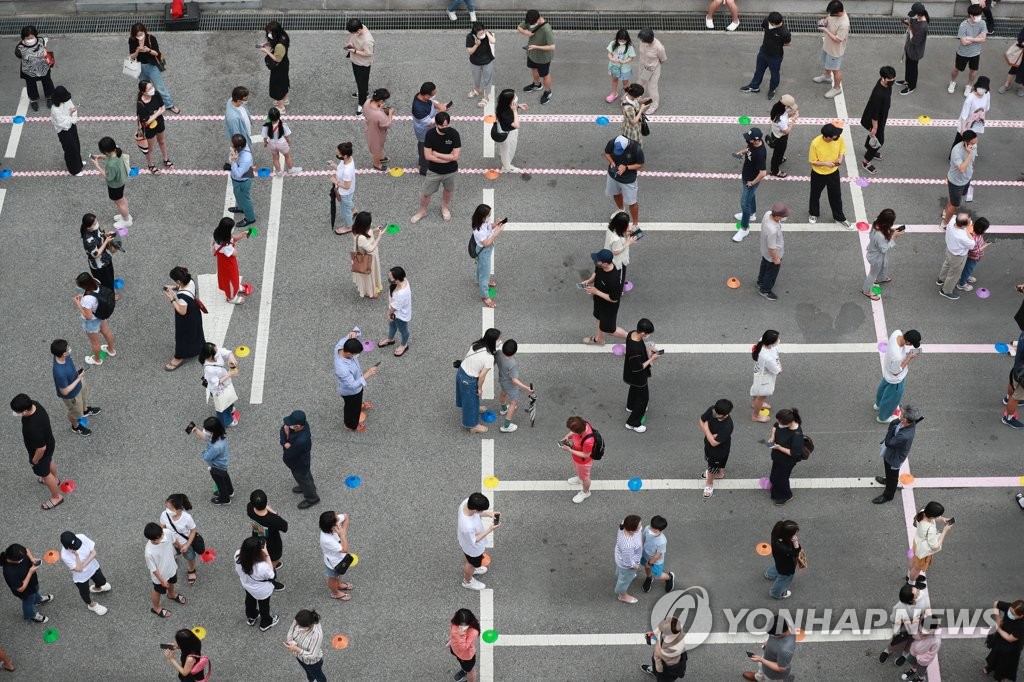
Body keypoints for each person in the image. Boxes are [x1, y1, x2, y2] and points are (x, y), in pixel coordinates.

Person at [11, 393, 62, 510]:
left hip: (41, 451)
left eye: (18, 412)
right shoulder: (35, 404)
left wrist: (35, 460)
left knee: (44, 473)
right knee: (49, 461)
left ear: (24, 411)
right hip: (50, 443)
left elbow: (41, 448)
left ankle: (56, 497)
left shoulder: (31, 427)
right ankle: (56, 480)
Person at [412, 112, 462, 224]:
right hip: (434, 171)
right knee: (426, 193)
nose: (445, 128)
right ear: (437, 125)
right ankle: (422, 211)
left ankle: (444, 207)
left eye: (447, 125)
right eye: (442, 126)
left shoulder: (454, 134)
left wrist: (437, 154)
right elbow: (428, 156)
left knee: (448, 190)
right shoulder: (430, 134)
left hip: (451, 171)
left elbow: (456, 156)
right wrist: (447, 158)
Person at [872, 403, 922, 503]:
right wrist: (896, 422)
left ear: (906, 420)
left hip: (894, 457)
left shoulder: (904, 436)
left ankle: (888, 495)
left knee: (893, 475)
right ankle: (888, 480)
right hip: (892, 453)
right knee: (890, 473)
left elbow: (889, 442)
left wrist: (892, 428)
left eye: (901, 414)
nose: (899, 414)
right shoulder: (908, 423)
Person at [51, 338, 99, 437]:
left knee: (84, 397)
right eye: (68, 348)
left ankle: (85, 410)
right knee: (74, 412)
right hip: (72, 395)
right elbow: (64, 391)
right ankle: (76, 427)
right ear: (63, 354)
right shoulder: (59, 372)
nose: (69, 349)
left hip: (78, 382)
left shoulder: (64, 356)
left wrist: (77, 374)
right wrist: (79, 378)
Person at [455, 329, 500, 434]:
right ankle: (472, 426)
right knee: (471, 401)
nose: (499, 340)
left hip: (461, 372)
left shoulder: (476, 345)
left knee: (468, 399)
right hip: (469, 380)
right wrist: (479, 388)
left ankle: (475, 407)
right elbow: (482, 376)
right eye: (498, 339)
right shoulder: (489, 358)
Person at [128, 23, 179, 114]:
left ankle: (169, 105)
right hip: (140, 66)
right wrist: (137, 51)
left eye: (141, 34)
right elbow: (132, 56)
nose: (139, 37)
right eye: (137, 35)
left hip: (152, 66)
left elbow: (157, 53)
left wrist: (148, 50)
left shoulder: (151, 38)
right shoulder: (132, 40)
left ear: (144, 31)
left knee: (160, 87)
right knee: (144, 87)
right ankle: (146, 104)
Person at [807, 123, 850, 227]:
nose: (837, 137)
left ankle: (839, 217)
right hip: (818, 174)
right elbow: (812, 161)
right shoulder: (815, 143)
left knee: (836, 196)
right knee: (815, 194)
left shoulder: (838, 139)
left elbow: (841, 150)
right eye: (834, 136)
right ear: (826, 137)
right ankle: (813, 213)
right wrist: (825, 163)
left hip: (833, 173)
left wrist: (840, 158)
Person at [954, 78, 991, 202]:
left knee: (973, 139)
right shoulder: (970, 98)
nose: (983, 90)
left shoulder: (987, 95)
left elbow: (987, 108)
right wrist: (963, 129)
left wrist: (983, 120)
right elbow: (964, 114)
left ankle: (970, 152)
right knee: (959, 141)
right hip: (967, 124)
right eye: (981, 88)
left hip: (978, 122)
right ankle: (956, 155)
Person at [234, 536, 280, 631]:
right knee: (264, 605)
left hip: (247, 584)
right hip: (261, 590)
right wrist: (266, 554)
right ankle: (265, 623)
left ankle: (252, 616)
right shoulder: (261, 566)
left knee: (249, 600)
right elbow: (271, 575)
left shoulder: (238, 555)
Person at [740, 12, 791, 99]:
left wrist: (776, 44)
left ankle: (772, 89)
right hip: (763, 52)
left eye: (771, 24)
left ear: (776, 23)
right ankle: (754, 86)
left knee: (774, 74)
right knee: (759, 71)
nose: (769, 24)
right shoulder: (767, 21)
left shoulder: (784, 32)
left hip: (775, 57)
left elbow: (788, 43)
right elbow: (765, 28)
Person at [334, 334, 378, 432]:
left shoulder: (341, 345)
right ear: (349, 353)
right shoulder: (342, 369)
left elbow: (353, 333)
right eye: (355, 355)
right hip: (351, 392)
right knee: (351, 408)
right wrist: (367, 374)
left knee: (355, 403)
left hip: (356, 388)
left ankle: (359, 405)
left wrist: (354, 332)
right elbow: (352, 385)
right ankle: (350, 425)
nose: (356, 356)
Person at [164, 266, 205, 371]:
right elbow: (182, 287)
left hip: (186, 318)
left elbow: (181, 311)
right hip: (194, 312)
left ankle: (178, 357)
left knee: (182, 337)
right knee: (196, 331)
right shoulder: (191, 281)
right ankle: (200, 347)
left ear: (178, 280)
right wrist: (174, 287)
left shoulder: (182, 297)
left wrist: (172, 299)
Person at [58, 531, 110, 616]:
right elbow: (78, 570)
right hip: (81, 577)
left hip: (93, 567)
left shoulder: (81, 537)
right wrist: (77, 556)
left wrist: (83, 565)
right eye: (74, 547)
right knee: (85, 593)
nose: (77, 547)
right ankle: (91, 605)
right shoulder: (65, 555)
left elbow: (94, 553)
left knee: (102, 581)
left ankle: (97, 588)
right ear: (67, 547)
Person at [879, 584, 931, 666]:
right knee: (897, 641)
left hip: (917, 626)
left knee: (911, 641)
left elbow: (927, 607)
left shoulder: (922, 595)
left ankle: (905, 654)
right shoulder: (899, 607)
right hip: (904, 628)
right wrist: (910, 621)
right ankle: (888, 650)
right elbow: (894, 621)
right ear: (910, 600)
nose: (919, 593)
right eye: (916, 594)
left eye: (917, 590)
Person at [876, 330, 922, 422]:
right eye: (911, 344)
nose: (910, 346)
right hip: (895, 380)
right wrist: (909, 358)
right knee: (892, 399)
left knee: (883, 388)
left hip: (887, 372)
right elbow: (896, 372)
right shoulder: (897, 356)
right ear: (908, 342)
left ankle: (878, 404)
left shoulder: (896, 333)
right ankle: (883, 417)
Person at [582, 249, 626, 345]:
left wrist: (596, 292)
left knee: (610, 330)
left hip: (608, 307)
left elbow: (614, 299)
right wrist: (589, 281)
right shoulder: (600, 265)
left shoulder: (613, 279)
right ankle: (599, 339)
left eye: (597, 261)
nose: (595, 262)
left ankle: (632, 337)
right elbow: (596, 273)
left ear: (605, 264)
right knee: (598, 318)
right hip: (599, 301)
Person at [188, 416, 235, 505]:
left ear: (212, 431)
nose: (205, 431)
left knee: (220, 483)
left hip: (216, 467)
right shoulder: (220, 435)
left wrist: (204, 452)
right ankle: (230, 491)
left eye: (207, 430)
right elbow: (207, 438)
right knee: (225, 477)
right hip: (223, 465)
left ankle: (225, 499)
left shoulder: (216, 447)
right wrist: (197, 431)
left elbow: (207, 457)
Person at [143, 522, 186, 618]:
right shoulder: (149, 552)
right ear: (151, 539)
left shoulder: (166, 532)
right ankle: (156, 608)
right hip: (160, 576)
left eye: (161, 534)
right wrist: (162, 580)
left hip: (171, 567)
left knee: (172, 582)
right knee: (157, 591)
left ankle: (171, 594)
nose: (163, 537)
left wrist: (181, 547)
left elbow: (174, 541)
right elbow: (153, 569)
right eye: (159, 537)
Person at [1, 544, 52, 622]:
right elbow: (21, 588)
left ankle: (38, 600)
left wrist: (31, 558)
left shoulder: (16, 550)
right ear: (14, 560)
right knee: (28, 601)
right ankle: (31, 615)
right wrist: (30, 572)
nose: (24, 557)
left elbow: (26, 550)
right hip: (25, 591)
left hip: (32, 581)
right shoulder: (9, 572)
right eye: (22, 558)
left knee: (36, 590)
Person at [860, 66, 897, 175]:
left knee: (873, 136)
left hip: (881, 116)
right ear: (883, 78)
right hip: (876, 120)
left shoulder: (885, 84)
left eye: (894, 78)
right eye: (890, 80)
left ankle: (869, 148)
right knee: (879, 141)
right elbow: (874, 114)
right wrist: (875, 127)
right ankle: (866, 161)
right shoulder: (878, 94)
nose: (893, 81)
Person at [624, 318, 659, 433]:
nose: (648, 336)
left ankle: (630, 406)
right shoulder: (634, 349)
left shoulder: (631, 334)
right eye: (648, 334)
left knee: (634, 388)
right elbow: (639, 367)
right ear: (643, 333)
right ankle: (633, 423)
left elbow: (641, 349)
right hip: (638, 376)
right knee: (644, 399)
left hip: (630, 373)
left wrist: (649, 350)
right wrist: (652, 358)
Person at [732, 127, 767, 241]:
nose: (748, 140)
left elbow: (763, 173)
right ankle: (752, 214)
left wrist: (752, 183)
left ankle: (744, 228)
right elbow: (748, 149)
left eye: (750, 139)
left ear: (756, 140)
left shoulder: (760, 154)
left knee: (744, 203)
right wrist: (742, 152)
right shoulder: (752, 144)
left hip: (751, 180)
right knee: (751, 196)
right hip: (746, 176)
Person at [74, 272, 116, 367]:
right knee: (107, 332)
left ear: (84, 286)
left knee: (95, 342)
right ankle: (111, 350)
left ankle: (97, 360)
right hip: (101, 315)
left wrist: (78, 304)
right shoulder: (97, 282)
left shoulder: (87, 300)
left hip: (92, 321)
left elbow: (88, 316)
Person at [281, 410, 320, 509]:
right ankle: (306, 487)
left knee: (304, 478)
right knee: (305, 478)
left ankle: (312, 498)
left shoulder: (302, 440)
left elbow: (290, 453)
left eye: (291, 424)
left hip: (299, 463)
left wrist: (285, 441)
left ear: (298, 426)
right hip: (299, 461)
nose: (287, 425)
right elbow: (283, 429)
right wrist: (286, 436)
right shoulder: (301, 425)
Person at [458, 492, 497, 590]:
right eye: (482, 510)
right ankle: (468, 581)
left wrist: (489, 514)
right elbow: (474, 540)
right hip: (473, 548)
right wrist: (490, 529)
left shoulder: (467, 502)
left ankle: (474, 569)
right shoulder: (467, 526)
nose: (483, 511)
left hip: (465, 543)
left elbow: (478, 513)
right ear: (475, 510)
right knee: (470, 564)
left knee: (469, 559)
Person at [604, 135, 645, 228]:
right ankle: (621, 209)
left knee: (632, 202)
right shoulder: (612, 142)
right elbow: (607, 153)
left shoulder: (636, 149)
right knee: (615, 193)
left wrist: (626, 167)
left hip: (628, 179)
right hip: (613, 175)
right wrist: (612, 162)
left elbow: (640, 164)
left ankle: (635, 224)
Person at [90, 136, 131, 228]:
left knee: (119, 203)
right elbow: (109, 156)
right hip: (120, 182)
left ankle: (126, 220)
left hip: (115, 185)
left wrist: (97, 166)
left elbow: (109, 177)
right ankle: (126, 215)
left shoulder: (112, 165)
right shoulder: (117, 151)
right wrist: (100, 157)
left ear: (106, 151)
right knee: (122, 199)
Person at [863, 209, 904, 300]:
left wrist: (891, 231)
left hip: (876, 253)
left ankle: (881, 278)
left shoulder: (876, 223)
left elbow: (874, 234)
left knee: (884, 264)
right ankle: (866, 291)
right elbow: (884, 249)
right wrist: (893, 237)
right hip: (876, 257)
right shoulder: (880, 236)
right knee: (872, 274)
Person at [908, 501, 954, 582]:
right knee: (917, 569)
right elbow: (935, 546)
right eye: (938, 516)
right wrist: (945, 531)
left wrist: (943, 519)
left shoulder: (922, 511)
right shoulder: (930, 529)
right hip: (922, 551)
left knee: (912, 559)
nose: (939, 517)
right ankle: (911, 582)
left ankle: (909, 574)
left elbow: (933, 518)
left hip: (916, 543)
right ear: (933, 516)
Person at [517, 10, 556, 105]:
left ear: (538, 19)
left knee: (545, 75)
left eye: (531, 24)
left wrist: (536, 47)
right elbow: (518, 27)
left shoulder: (546, 29)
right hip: (532, 53)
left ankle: (547, 92)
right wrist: (525, 33)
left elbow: (552, 47)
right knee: (533, 69)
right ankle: (537, 84)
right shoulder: (530, 20)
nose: (529, 25)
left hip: (543, 58)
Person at [813, 1, 850, 99]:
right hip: (828, 45)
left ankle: (837, 88)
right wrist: (824, 21)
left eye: (832, 13)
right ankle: (826, 76)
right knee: (827, 62)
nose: (830, 15)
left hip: (835, 51)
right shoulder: (834, 12)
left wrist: (825, 30)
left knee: (836, 70)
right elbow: (829, 18)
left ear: (839, 12)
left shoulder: (844, 24)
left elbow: (838, 40)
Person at [742, 614, 796, 681]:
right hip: (767, 658)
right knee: (762, 669)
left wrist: (761, 660)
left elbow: (781, 668)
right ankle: (758, 678)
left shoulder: (785, 650)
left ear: (779, 634)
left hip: (773, 675)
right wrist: (767, 643)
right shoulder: (786, 622)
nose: (771, 635)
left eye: (772, 634)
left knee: (768, 678)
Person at [161, 494, 200, 587]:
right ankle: (175, 557)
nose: (167, 510)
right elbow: (162, 527)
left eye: (170, 508)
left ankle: (191, 570)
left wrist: (187, 545)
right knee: (172, 554)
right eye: (166, 506)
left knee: (190, 557)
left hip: (185, 544)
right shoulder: (164, 514)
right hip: (171, 543)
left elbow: (193, 531)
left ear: (178, 509)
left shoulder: (187, 518)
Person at [767, 409, 804, 506]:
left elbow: (795, 453)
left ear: (788, 422)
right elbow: (775, 426)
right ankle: (775, 487)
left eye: (780, 422)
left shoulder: (797, 435)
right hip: (778, 457)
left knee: (781, 479)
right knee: (775, 475)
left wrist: (779, 447)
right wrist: (772, 436)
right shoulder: (783, 422)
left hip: (787, 461)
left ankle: (786, 495)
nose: (778, 423)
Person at [248, 489, 289, 576]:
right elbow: (285, 527)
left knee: (261, 554)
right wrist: (275, 513)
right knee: (271, 564)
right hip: (272, 544)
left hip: (257, 536)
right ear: (266, 502)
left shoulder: (249, 508)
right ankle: (272, 579)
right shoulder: (274, 519)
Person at [941, 132, 978, 227]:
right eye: (973, 143)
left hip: (966, 179)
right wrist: (969, 154)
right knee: (955, 205)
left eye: (976, 141)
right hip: (956, 182)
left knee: (955, 198)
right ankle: (944, 224)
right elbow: (961, 169)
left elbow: (972, 160)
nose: (975, 144)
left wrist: (972, 166)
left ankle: (946, 211)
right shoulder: (956, 151)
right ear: (965, 143)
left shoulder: (974, 146)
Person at [937, 211, 976, 300]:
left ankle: (941, 279)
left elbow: (948, 215)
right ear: (963, 225)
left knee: (947, 264)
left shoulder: (952, 220)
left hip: (949, 250)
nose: (971, 222)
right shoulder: (963, 236)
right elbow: (972, 244)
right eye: (969, 221)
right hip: (958, 257)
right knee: (954, 274)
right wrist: (966, 230)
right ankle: (946, 291)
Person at [949, 5, 987, 96]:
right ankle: (952, 82)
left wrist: (971, 38)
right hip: (962, 53)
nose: (979, 17)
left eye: (979, 15)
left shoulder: (982, 23)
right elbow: (963, 42)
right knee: (957, 69)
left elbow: (983, 39)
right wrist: (977, 38)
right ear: (971, 15)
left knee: (973, 71)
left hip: (975, 53)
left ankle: (969, 85)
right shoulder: (964, 25)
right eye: (977, 15)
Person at [136, 79, 172, 175]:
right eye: (149, 89)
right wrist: (157, 113)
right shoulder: (140, 104)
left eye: (152, 87)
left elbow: (163, 107)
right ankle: (150, 165)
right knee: (150, 149)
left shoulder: (156, 94)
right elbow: (146, 121)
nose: (152, 89)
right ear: (143, 92)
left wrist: (156, 114)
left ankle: (166, 159)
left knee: (162, 141)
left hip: (159, 123)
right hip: (149, 129)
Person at [700, 398, 734, 499]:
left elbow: (714, 443)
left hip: (719, 450)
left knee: (712, 466)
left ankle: (709, 484)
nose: (714, 414)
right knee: (716, 462)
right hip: (710, 445)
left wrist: (706, 429)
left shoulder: (728, 426)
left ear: (725, 414)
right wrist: (710, 435)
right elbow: (701, 420)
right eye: (715, 411)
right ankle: (720, 473)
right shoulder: (713, 409)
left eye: (718, 414)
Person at [472, 204, 505, 308]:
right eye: (488, 216)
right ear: (482, 216)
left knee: (481, 268)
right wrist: (496, 233)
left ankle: (479, 280)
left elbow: (488, 226)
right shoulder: (478, 231)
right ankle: (485, 296)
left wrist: (494, 224)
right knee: (484, 274)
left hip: (483, 250)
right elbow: (486, 243)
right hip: (484, 251)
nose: (489, 218)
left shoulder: (481, 221)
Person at [201, 342, 240, 428]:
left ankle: (230, 409)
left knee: (228, 397)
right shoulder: (209, 370)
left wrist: (231, 358)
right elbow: (216, 384)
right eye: (216, 351)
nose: (218, 351)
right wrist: (229, 374)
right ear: (210, 356)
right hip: (218, 389)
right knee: (222, 405)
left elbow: (227, 352)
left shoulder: (215, 354)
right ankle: (227, 421)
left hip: (224, 383)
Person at [982, 599, 1024, 680]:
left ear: (1022, 615)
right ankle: (989, 667)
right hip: (1001, 637)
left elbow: (1010, 638)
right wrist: (998, 618)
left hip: (1012, 646)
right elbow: (996, 603)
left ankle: (1000, 677)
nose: (1010, 614)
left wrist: (998, 629)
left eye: (1013, 614)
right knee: (995, 652)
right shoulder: (1009, 607)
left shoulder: (1021, 626)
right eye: (1010, 611)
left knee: (1004, 662)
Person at [495, 339, 531, 433]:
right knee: (513, 403)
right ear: (514, 352)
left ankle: (503, 409)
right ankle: (507, 426)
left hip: (502, 380)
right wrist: (526, 387)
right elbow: (514, 380)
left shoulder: (498, 354)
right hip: (510, 385)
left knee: (503, 393)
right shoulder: (512, 363)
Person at [15, 26, 53, 111]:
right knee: (31, 84)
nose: (29, 40)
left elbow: (44, 49)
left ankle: (49, 97)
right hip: (29, 70)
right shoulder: (19, 47)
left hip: (43, 66)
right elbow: (18, 55)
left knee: (47, 82)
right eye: (27, 38)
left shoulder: (41, 40)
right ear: (23, 37)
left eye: (31, 37)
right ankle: (33, 99)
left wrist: (47, 57)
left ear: (35, 35)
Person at [561, 415, 598, 504]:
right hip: (577, 458)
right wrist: (567, 436)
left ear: (579, 432)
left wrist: (570, 450)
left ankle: (586, 492)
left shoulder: (588, 441)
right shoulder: (584, 424)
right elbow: (572, 433)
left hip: (583, 462)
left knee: (585, 478)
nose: (571, 432)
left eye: (573, 431)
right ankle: (579, 478)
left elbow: (586, 454)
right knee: (580, 473)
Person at [318, 511, 354, 600]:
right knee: (333, 577)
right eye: (337, 519)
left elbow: (346, 516)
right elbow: (345, 549)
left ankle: (339, 585)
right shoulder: (327, 540)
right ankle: (335, 593)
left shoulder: (332, 521)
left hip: (340, 558)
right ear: (332, 527)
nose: (339, 518)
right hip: (333, 563)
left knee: (339, 574)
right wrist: (342, 536)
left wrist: (343, 532)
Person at [755, 203, 788, 301]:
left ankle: (760, 282)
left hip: (764, 251)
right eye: (783, 216)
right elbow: (772, 248)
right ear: (777, 217)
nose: (784, 217)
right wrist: (776, 258)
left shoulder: (767, 214)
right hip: (772, 255)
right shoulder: (772, 230)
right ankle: (765, 290)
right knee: (771, 273)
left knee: (764, 265)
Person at [213, 217, 249, 304]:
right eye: (232, 228)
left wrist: (243, 234)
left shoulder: (219, 235)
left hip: (225, 262)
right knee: (230, 279)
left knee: (233, 276)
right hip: (228, 265)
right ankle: (231, 297)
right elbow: (236, 253)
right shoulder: (226, 246)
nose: (233, 229)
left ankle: (235, 288)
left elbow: (233, 238)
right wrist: (234, 246)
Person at [50, 86, 83, 176]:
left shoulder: (66, 101)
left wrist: (72, 117)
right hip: (63, 131)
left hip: (71, 126)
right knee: (70, 149)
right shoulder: (55, 110)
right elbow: (62, 124)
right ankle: (74, 170)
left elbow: (72, 110)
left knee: (76, 144)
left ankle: (78, 163)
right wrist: (70, 115)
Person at [379, 266, 411, 357]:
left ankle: (404, 345)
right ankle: (390, 339)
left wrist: (389, 314)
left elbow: (394, 307)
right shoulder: (403, 280)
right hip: (395, 313)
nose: (389, 279)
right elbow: (391, 295)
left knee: (403, 330)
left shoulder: (402, 294)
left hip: (400, 315)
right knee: (392, 325)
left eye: (391, 278)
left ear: (397, 280)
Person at [351, 212, 385, 298]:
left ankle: (371, 290)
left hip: (364, 256)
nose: (370, 224)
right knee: (369, 275)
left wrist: (374, 230)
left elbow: (366, 234)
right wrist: (379, 236)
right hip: (367, 258)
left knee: (369, 275)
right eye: (369, 224)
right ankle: (370, 292)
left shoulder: (356, 229)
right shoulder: (361, 238)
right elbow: (370, 248)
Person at [898, 3, 930, 95]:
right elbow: (912, 23)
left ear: (919, 13)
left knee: (913, 68)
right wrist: (908, 22)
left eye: (914, 14)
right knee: (908, 66)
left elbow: (914, 41)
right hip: (910, 49)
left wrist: (910, 28)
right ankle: (907, 80)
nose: (913, 16)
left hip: (915, 52)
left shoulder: (923, 27)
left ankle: (911, 86)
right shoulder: (918, 18)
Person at [494, 88, 528, 173]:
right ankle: (507, 167)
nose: (516, 97)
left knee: (505, 148)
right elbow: (517, 125)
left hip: (504, 129)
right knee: (509, 149)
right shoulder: (506, 113)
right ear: (509, 101)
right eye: (514, 97)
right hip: (508, 133)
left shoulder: (502, 105)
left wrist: (518, 106)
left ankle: (504, 158)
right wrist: (515, 111)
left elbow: (511, 106)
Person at [287, 609, 326, 682]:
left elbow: (312, 655)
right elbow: (291, 630)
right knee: (309, 673)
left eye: (301, 627)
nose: (297, 628)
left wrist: (296, 649)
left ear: (309, 625)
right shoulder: (299, 620)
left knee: (319, 677)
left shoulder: (317, 635)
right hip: (300, 657)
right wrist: (290, 640)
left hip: (312, 663)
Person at [80, 213, 117, 292]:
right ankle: (110, 296)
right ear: (88, 227)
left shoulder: (94, 228)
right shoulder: (88, 240)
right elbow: (95, 254)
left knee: (110, 278)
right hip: (99, 265)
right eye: (94, 223)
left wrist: (105, 234)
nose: (97, 224)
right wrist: (106, 241)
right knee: (105, 282)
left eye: (96, 221)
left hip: (105, 259)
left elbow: (99, 235)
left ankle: (111, 291)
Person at [345, 19, 374, 115]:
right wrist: (350, 43)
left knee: (362, 84)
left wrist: (354, 51)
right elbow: (352, 36)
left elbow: (368, 53)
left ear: (358, 30)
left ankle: (362, 104)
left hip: (363, 64)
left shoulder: (368, 41)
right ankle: (363, 93)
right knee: (358, 80)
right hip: (355, 60)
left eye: (354, 32)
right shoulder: (361, 26)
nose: (352, 34)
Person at [259, 21, 290, 112]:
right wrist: (266, 44)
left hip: (279, 67)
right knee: (283, 81)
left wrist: (266, 51)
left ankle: (281, 107)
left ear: (275, 32)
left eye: (270, 32)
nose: (269, 34)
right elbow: (276, 44)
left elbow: (277, 59)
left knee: (277, 85)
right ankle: (285, 99)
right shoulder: (283, 35)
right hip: (284, 64)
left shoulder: (280, 46)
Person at [750, 330, 781, 420]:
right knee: (762, 396)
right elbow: (777, 370)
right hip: (765, 377)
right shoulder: (767, 358)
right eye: (777, 339)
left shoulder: (762, 342)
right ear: (771, 342)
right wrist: (779, 364)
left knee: (756, 389)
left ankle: (754, 403)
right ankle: (755, 416)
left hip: (758, 371)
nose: (779, 340)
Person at [765, 520, 800, 599]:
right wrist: (796, 543)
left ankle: (770, 574)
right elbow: (796, 552)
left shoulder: (777, 530)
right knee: (784, 578)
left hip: (779, 559)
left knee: (778, 565)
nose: (795, 535)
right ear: (787, 536)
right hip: (787, 565)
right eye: (793, 533)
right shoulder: (784, 547)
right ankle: (775, 593)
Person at [262, 107, 301, 176]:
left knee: (275, 158)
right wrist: (288, 142)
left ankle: (279, 172)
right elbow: (286, 136)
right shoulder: (283, 125)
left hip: (271, 144)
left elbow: (265, 137)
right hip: (282, 143)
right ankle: (291, 169)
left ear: (269, 117)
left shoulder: (266, 126)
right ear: (279, 116)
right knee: (287, 156)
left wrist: (265, 142)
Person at [228, 133, 256, 228]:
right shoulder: (240, 148)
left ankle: (250, 218)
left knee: (245, 200)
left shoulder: (246, 158)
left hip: (242, 181)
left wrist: (233, 161)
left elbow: (238, 174)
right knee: (238, 195)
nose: (230, 144)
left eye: (232, 143)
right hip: (237, 180)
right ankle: (241, 208)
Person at [636, 29, 667, 113]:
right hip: (643, 66)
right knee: (641, 82)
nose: (641, 41)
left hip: (652, 69)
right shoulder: (643, 41)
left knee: (652, 87)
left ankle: (654, 104)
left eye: (642, 40)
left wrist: (653, 64)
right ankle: (637, 97)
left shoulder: (659, 47)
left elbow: (663, 59)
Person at [641, 516, 675, 593]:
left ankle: (669, 577)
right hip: (645, 554)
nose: (652, 531)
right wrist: (640, 549)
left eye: (655, 530)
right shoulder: (647, 528)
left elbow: (658, 555)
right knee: (646, 568)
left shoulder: (662, 541)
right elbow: (643, 539)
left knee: (658, 576)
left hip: (655, 561)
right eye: (651, 528)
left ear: (661, 530)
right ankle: (649, 578)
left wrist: (649, 563)